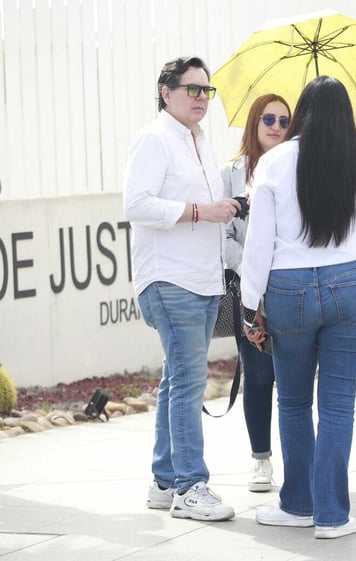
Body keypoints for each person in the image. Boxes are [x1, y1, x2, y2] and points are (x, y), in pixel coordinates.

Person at [240, 76, 356, 539]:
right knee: (338, 401)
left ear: (301, 112)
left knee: (293, 399)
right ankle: (332, 516)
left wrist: (250, 307)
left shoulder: (274, 161)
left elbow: (257, 244)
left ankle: (298, 504)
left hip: (289, 291)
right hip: (353, 283)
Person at [125, 56, 240, 521]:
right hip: (170, 280)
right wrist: (201, 211)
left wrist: (222, 209)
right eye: (192, 89)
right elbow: (136, 204)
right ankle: (191, 486)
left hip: (202, 278)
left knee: (177, 381)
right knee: (190, 382)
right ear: (165, 91)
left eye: (206, 91)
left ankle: (164, 480)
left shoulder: (199, 141)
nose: (201, 98)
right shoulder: (154, 139)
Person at [221, 93, 292, 492]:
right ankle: (261, 459)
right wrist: (252, 270)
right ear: (254, 122)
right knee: (258, 375)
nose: (276, 127)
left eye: (284, 121)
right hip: (248, 292)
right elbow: (222, 238)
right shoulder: (230, 173)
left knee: (295, 378)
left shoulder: (297, 168)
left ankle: (299, 459)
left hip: (290, 287)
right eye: (269, 119)